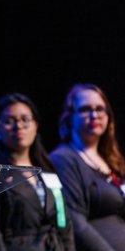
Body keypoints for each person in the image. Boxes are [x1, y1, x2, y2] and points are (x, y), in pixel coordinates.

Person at [0, 93, 75, 250]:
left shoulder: (47, 171)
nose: (18, 126)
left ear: (36, 126)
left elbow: (64, 223)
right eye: (9, 121)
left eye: (25, 120)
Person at [50, 83, 125, 250]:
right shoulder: (63, 159)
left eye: (100, 109)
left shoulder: (112, 159)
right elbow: (75, 221)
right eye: (85, 109)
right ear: (70, 117)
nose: (94, 115)